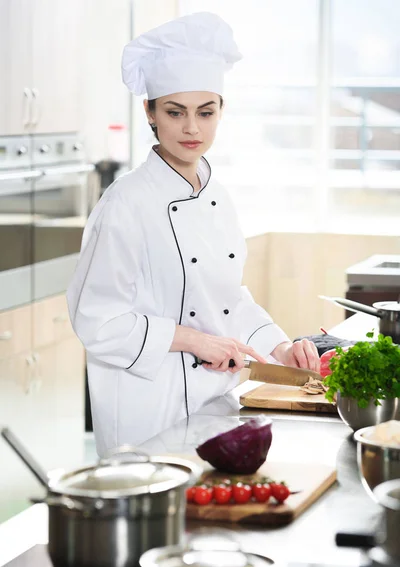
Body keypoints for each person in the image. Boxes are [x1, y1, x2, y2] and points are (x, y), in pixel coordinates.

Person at [67, 12, 319, 457]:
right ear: (150, 112)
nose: (191, 129)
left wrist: (279, 346)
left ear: (222, 111)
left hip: (214, 400)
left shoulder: (216, 194)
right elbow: (98, 321)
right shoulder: (124, 204)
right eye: (175, 112)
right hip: (147, 410)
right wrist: (192, 339)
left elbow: (228, 297)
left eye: (206, 112)